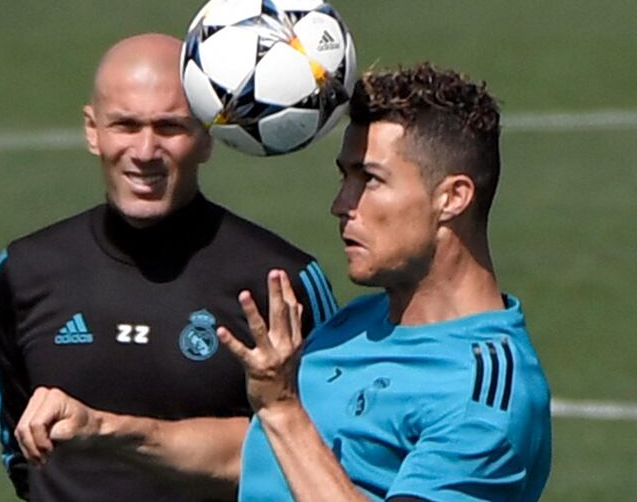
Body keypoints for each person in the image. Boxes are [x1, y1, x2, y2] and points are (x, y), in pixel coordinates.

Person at [0, 33, 337, 501]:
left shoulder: (279, 280)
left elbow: (326, 451)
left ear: (207, 136)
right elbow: (19, 453)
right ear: (93, 130)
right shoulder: (25, 271)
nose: (146, 151)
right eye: (125, 126)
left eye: (169, 127)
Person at [218, 63, 552, 501]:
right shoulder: (356, 322)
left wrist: (282, 409)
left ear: (453, 198)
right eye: (345, 177)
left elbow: (284, 426)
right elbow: (257, 457)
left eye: (369, 179)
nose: (341, 204)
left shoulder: (483, 395)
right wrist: (115, 430)